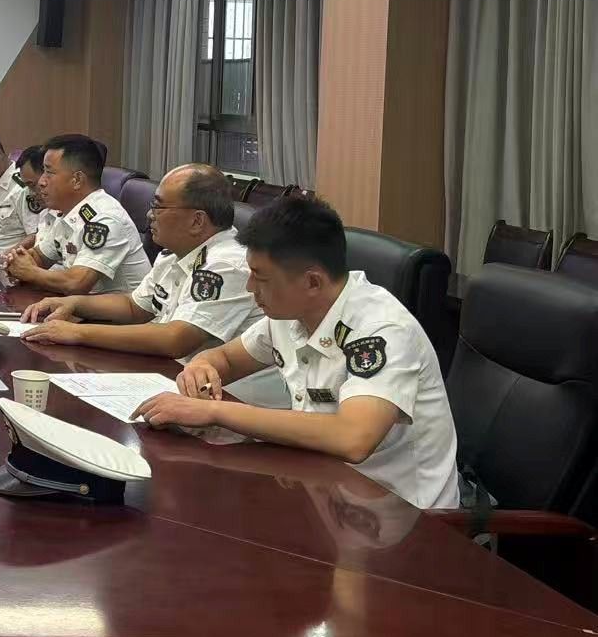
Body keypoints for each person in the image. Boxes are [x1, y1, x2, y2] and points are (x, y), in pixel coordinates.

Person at [134, 194, 460, 510]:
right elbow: (227, 358)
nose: (250, 288)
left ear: (313, 282)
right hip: (321, 488)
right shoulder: (291, 313)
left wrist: (214, 412)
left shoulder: (381, 329)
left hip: (401, 514)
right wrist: (202, 366)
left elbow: (353, 438)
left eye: (260, 278)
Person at [20, 163, 263, 359]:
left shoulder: (226, 265)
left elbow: (176, 339)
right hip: (171, 374)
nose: (149, 215)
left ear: (197, 221)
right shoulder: (174, 254)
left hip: (226, 396)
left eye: (158, 207)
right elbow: (134, 307)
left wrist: (77, 332)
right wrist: (73, 303)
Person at [3, 133, 151, 294]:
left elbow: (76, 283)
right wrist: (17, 261)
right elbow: (39, 256)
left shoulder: (104, 219)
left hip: (116, 310)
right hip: (79, 305)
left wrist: (29, 272)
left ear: (77, 180)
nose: (41, 182)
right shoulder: (69, 214)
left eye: (49, 172)